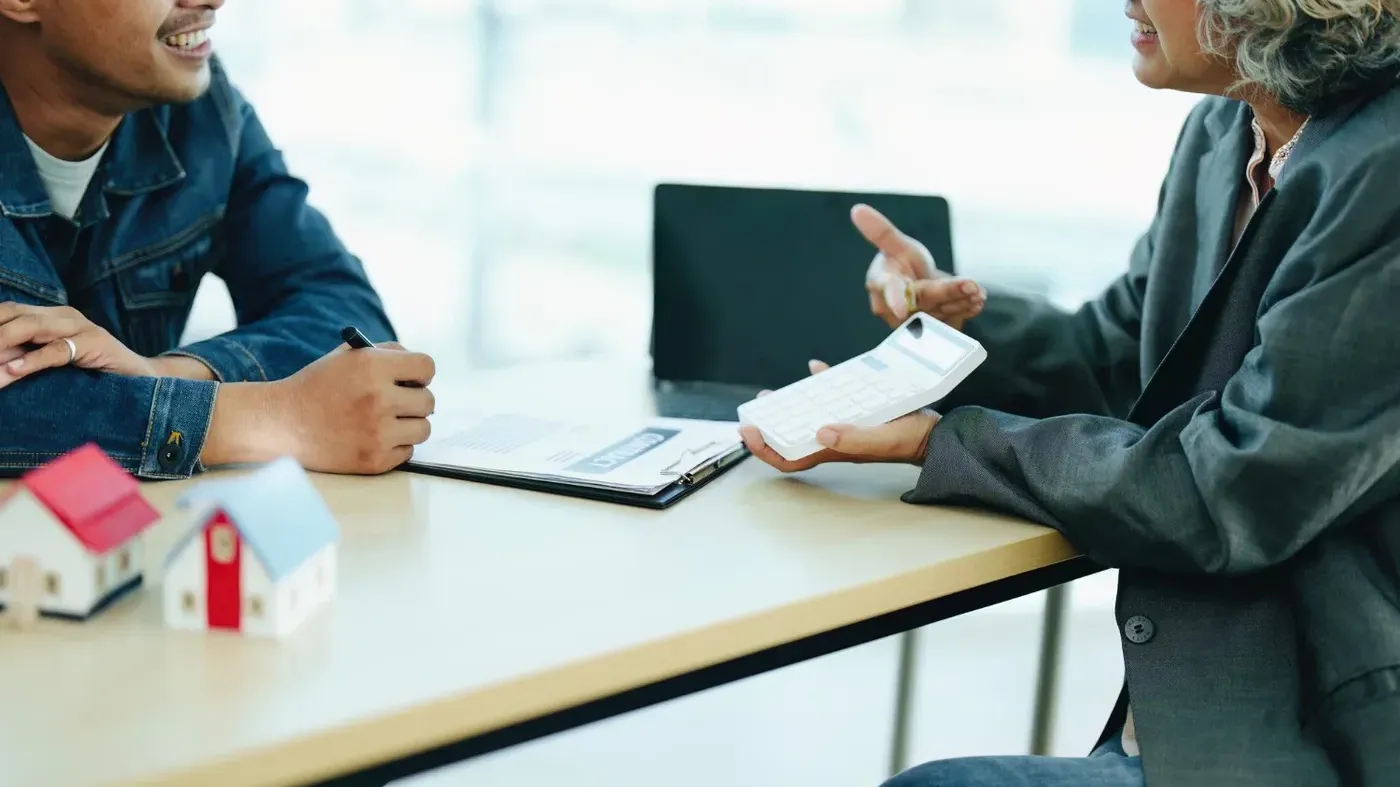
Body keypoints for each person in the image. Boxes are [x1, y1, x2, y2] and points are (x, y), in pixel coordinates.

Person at [743, 1, 1400, 785]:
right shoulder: (1224, 136)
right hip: (1201, 701)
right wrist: (943, 317)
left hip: (1319, 733)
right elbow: (1118, 362)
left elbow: (1230, 486)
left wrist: (940, 442)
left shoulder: (1384, 168)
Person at [0, 0, 435, 479]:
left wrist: (164, 374)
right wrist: (260, 418)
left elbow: (342, 308)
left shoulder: (202, 114)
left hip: (146, 543)